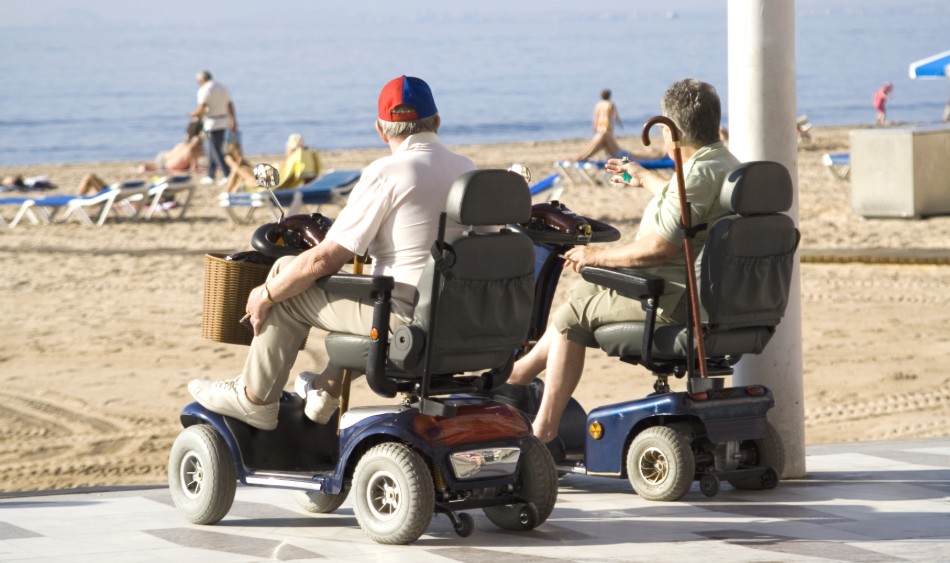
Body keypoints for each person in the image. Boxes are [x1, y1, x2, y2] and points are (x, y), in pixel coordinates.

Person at [187, 75, 477, 430]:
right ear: (436, 122)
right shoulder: (467, 170)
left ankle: (254, 398)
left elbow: (325, 259)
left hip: (407, 320)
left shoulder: (388, 172)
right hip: (464, 315)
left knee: (286, 275)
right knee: (369, 283)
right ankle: (325, 389)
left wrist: (263, 294)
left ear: (381, 130)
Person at [504, 78, 740, 444]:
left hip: (672, 300)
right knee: (587, 285)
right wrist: (646, 179)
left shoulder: (693, 178)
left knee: (572, 316)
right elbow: (693, 209)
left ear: (670, 130)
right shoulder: (723, 164)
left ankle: (542, 428)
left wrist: (596, 254)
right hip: (712, 296)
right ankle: (520, 374)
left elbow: (659, 249)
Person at [190, 70, 237, 185]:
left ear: (202, 79)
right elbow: (230, 104)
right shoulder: (222, 87)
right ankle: (211, 174)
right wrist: (233, 120)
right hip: (223, 121)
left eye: (198, 81)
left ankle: (227, 174)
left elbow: (202, 107)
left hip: (211, 123)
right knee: (211, 148)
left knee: (215, 149)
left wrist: (194, 114)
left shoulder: (204, 90)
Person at [138, 120, 205, 174]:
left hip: (163, 156)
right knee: (159, 166)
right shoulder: (192, 150)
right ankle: (145, 167)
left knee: (155, 165)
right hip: (167, 166)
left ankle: (145, 166)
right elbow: (193, 169)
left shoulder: (183, 145)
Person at [575, 89, 624, 161]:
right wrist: (620, 124)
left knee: (600, 140)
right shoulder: (610, 104)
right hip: (607, 124)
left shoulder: (599, 104)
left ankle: (584, 156)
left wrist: (594, 125)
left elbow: (595, 115)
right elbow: (615, 115)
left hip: (600, 124)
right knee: (607, 140)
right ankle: (609, 155)